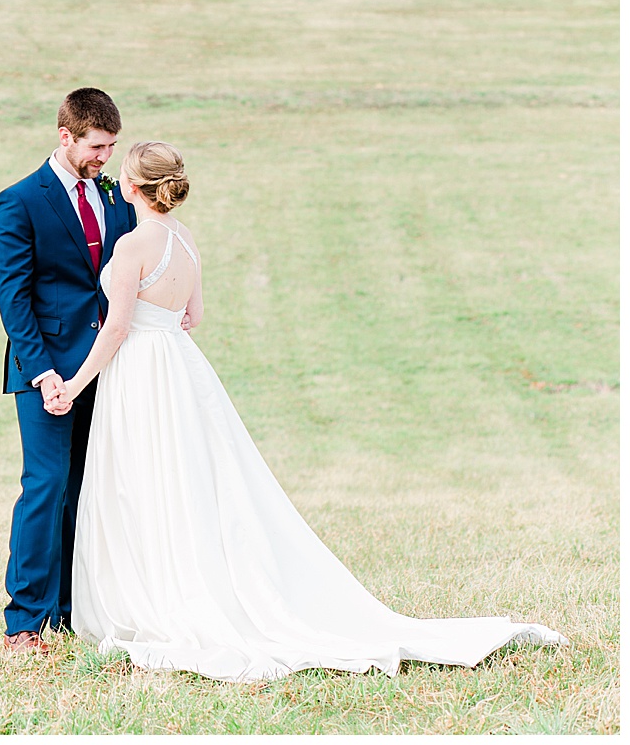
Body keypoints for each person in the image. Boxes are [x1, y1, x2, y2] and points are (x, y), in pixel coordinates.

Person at [56, 140, 565, 682]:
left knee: (144, 484)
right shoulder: (186, 239)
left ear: (130, 187)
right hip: (181, 370)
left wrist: (74, 385)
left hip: (140, 374)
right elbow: (193, 316)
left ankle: (155, 596)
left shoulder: (134, 245)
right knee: (192, 482)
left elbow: (115, 328)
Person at [0, 88, 140, 654]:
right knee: (46, 487)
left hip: (111, 367)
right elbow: (15, 299)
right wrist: (43, 372)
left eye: (111, 147)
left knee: (89, 489)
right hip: (47, 370)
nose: (104, 157)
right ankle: (25, 620)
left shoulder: (115, 198)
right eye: (97, 147)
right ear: (66, 136)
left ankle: (72, 610)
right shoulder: (20, 201)